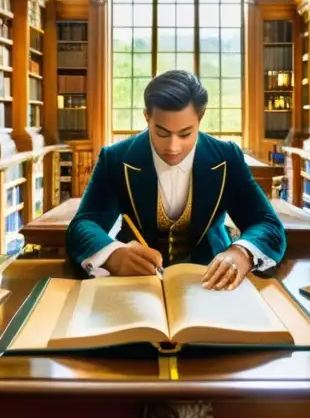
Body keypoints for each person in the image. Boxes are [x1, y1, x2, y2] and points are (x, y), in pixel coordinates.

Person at [67, 70, 286, 290]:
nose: (173, 147)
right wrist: (113, 254)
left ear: (200, 119)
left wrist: (242, 252)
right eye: (161, 133)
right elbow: (83, 225)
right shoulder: (115, 158)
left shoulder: (228, 158)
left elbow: (267, 223)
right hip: (136, 281)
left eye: (185, 134)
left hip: (211, 278)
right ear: (147, 117)